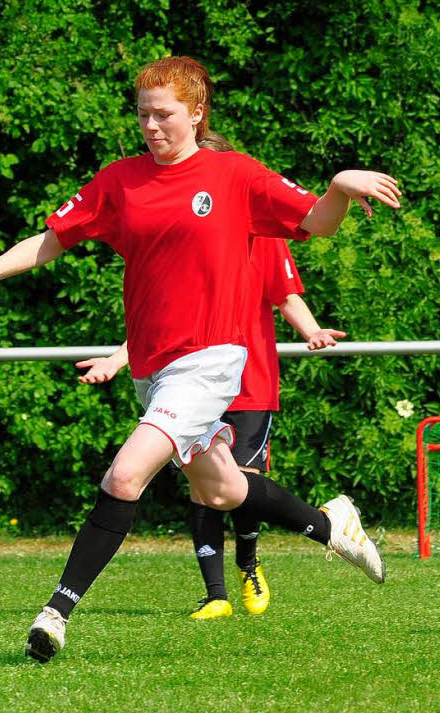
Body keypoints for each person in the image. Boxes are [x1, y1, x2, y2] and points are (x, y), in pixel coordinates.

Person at [0, 56, 401, 663]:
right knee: (221, 491)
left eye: (164, 114)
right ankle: (331, 526)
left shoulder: (234, 174)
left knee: (124, 476)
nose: (152, 126)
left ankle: (55, 613)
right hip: (154, 370)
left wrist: (340, 187)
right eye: (143, 114)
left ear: (196, 112)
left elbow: (317, 222)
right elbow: (55, 238)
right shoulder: (121, 181)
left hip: (212, 362)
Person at [75, 131, 346, 620]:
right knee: (206, 488)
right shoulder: (177, 234)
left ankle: (249, 565)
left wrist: (310, 330)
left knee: (236, 483)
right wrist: (117, 360)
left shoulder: (262, 234)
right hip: (183, 372)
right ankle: (216, 591)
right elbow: (162, 315)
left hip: (248, 376)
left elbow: (286, 294)